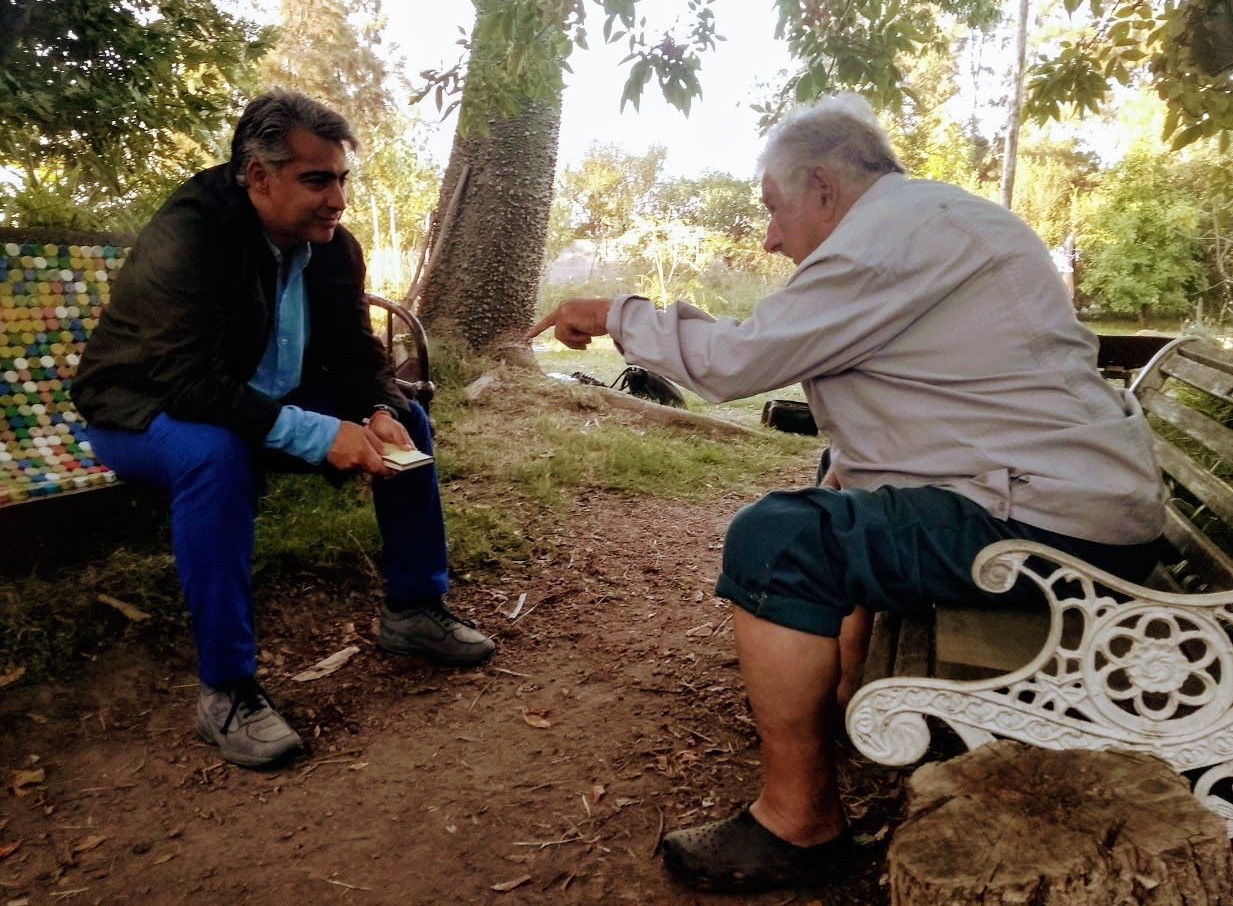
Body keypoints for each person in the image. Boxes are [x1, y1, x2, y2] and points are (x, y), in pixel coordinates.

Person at [529, 93, 1165, 892]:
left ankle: (799, 823)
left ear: (823, 189)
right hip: (1062, 504)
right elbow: (890, 426)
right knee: (823, 491)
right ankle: (830, 704)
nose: (768, 236)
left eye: (773, 208)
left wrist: (616, 314)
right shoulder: (924, 223)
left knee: (777, 537)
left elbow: (739, 361)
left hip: (1050, 527)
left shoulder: (897, 234)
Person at [72, 90, 495, 769]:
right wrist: (318, 433)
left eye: (342, 179)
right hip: (140, 409)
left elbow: (358, 354)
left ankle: (415, 609)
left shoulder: (331, 246)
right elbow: (187, 384)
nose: (338, 200)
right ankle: (227, 690)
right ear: (258, 176)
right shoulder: (191, 235)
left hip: (257, 398)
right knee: (216, 455)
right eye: (316, 180)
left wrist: (378, 406)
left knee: (407, 420)